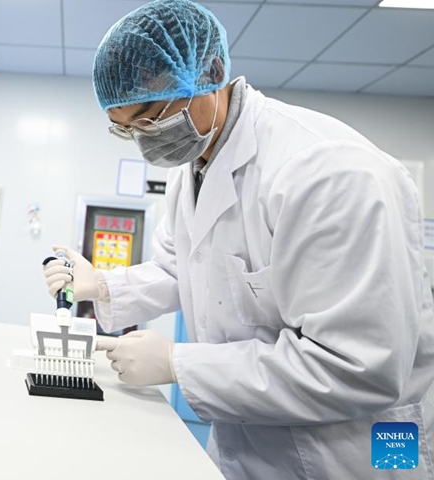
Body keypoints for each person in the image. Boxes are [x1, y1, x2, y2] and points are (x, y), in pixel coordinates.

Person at [42, 1, 434, 478]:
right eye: (127, 131)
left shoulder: (330, 171)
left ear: (210, 74)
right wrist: (103, 286)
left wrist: (179, 363)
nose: (146, 143)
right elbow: (182, 268)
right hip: (250, 445)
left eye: (150, 118)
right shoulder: (192, 170)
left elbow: (360, 367)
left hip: (364, 451)